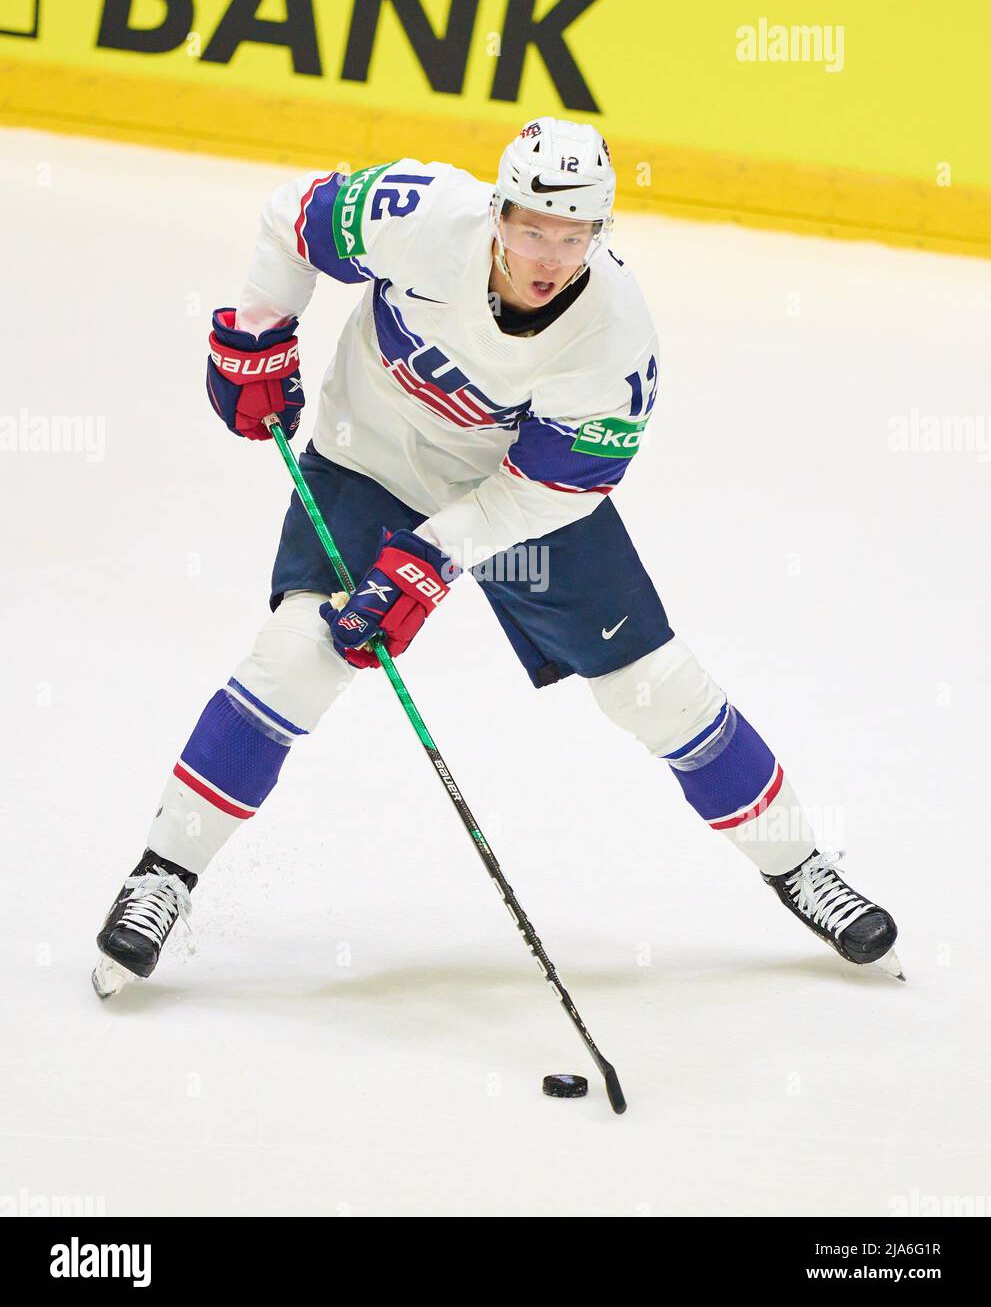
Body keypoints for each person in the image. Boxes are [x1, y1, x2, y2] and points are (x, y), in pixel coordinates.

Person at [93, 116, 901, 997]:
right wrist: (257, 328)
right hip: (371, 460)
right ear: (497, 209)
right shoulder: (420, 216)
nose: (549, 256)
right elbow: (294, 217)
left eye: (573, 234)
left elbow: (554, 488)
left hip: (515, 504)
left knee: (652, 685)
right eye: (531, 229)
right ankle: (161, 877)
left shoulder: (614, 341)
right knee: (298, 654)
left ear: (599, 233)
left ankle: (799, 868)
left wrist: (435, 557)